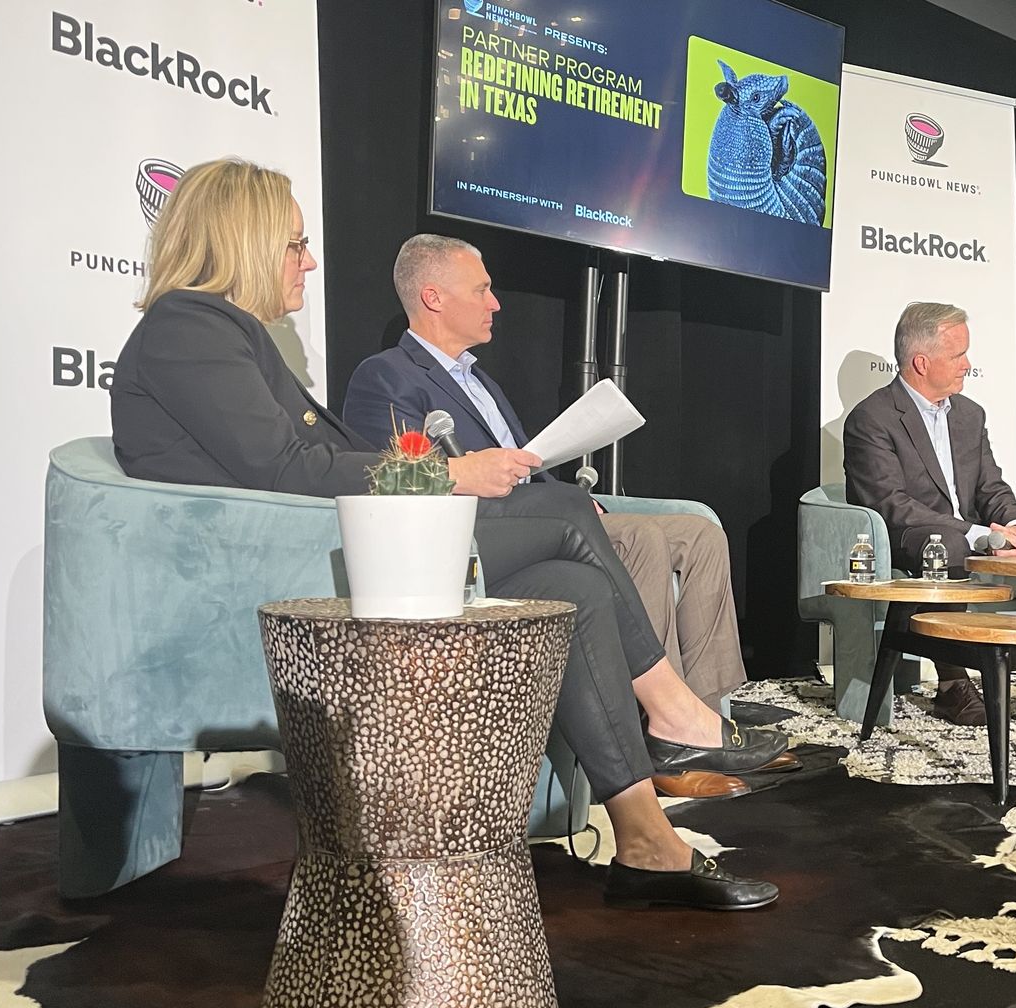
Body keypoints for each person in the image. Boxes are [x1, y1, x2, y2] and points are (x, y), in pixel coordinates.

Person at [107, 158, 780, 910]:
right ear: (243, 240)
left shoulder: (224, 334)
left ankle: (646, 839)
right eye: (294, 243)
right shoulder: (188, 330)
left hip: (335, 553)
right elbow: (289, 469)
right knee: (559, 514)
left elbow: (297, 463)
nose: (310, 260)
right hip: (282, 582)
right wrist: (449, 477)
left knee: (576, 587)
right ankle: (678, 715)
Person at [344, 236, 752, 797]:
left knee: (700, 534)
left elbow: (525, 469)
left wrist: (566, 492)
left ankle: (702, 713)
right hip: (490, 538)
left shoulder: (479, 379)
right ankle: (656, 734)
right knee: (646, 543)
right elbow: (402, 482)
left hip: (550, 512)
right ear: (433, 297)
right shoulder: (385, 376)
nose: (496, 303)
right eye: (482, 289)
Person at [842, 302, 1016, 731]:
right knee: (948, 543)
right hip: (911, 540)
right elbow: (892, 506)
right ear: (921, 362)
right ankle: (953, 687)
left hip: (974, 535)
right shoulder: (872, 418)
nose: (968, 364)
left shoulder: (969, 414)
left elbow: (990, 488)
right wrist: (981, 535)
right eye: (958, 355)